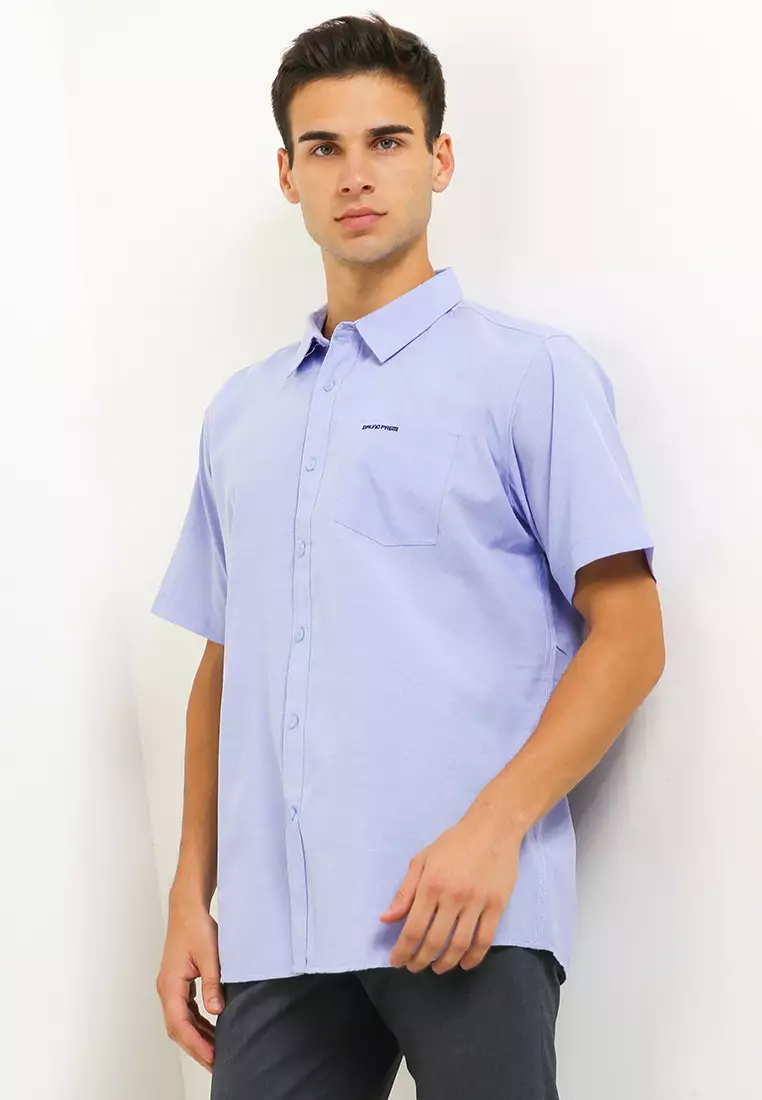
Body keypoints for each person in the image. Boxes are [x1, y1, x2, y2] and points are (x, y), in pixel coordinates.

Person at [151, 11, 665, 1099]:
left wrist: (494, 829)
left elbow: (630, 634)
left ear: (439, 158)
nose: (356, 173)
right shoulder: (241, 413)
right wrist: (190, 893)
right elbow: (222, 666)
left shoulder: (528, 375)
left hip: (466, 909)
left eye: (387, 141)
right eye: (324, 147)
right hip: (278, 929)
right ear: (288, 175)